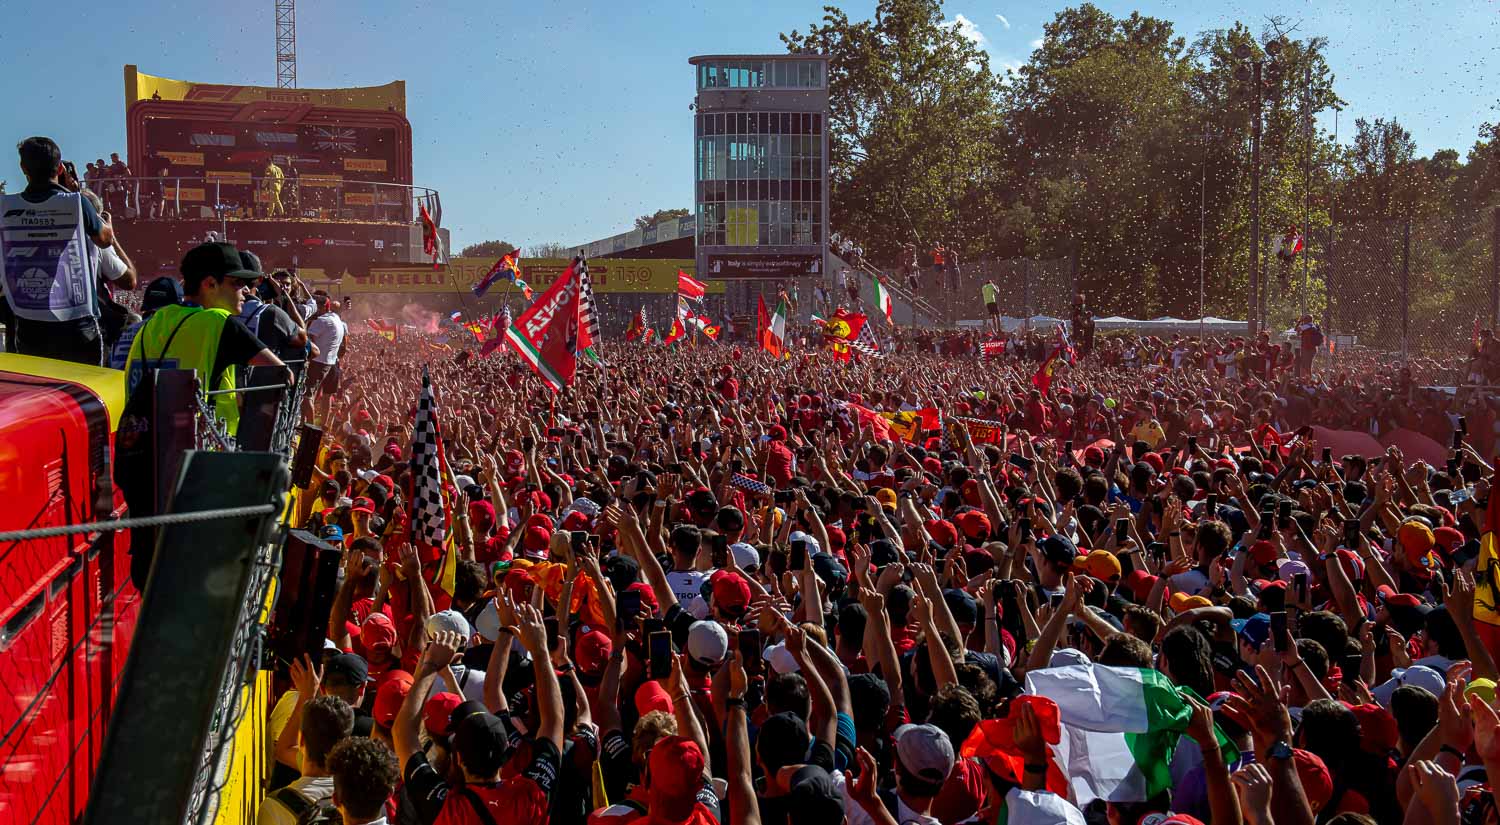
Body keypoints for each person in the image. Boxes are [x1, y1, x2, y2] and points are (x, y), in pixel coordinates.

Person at [1, 137, 115, 364]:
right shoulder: (76, 202)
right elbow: (104, 240)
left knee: (39, 394)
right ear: (60, 167)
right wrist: (108, 223)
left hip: (29, 322)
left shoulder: (5, 206)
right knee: (84, 394)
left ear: (23, 168)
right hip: (77, 321)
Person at [305, 293, 348, 421]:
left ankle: (308, 426)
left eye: (316, 306)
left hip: (317, 362)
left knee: (308, 396)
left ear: (323, 307)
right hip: (332, 362)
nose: (313, 309)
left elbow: (308, 343)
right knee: (326, 396)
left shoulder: (321, 321)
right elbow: (344, 346)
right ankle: (323, 425)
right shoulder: (339, 321)